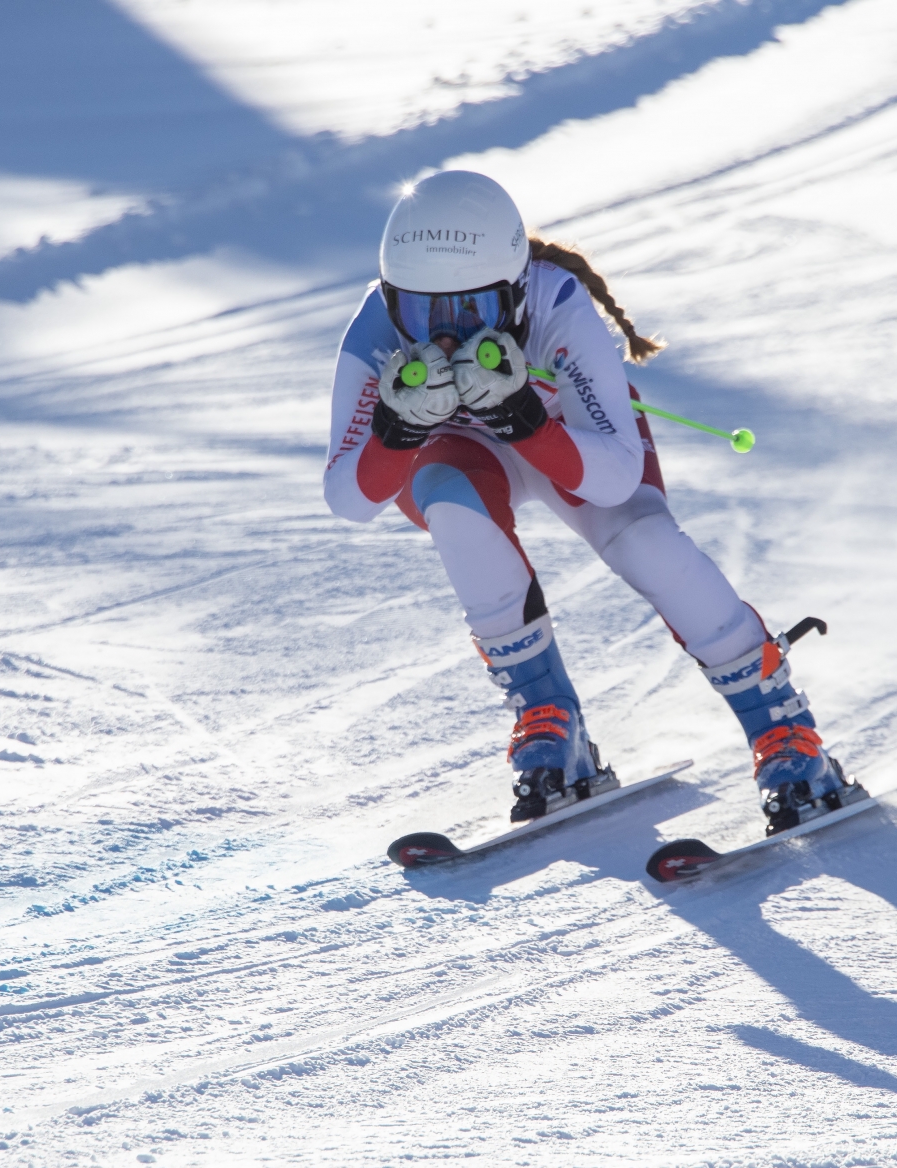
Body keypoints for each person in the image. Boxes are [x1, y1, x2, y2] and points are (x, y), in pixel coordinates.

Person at [324, 170, 860, 833]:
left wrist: (525, 419)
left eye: (474, 313)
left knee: (645, 540)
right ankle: (549, 719)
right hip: (472, 453)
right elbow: (349, 495)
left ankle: (783, 730)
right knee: (454, 506)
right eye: (420, 312)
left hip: (565, 440)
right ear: (390, 296)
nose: (445, 337)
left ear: (517, 294)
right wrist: (398, 431)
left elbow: (611, 476)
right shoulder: (376, 325)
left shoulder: (559, 307)